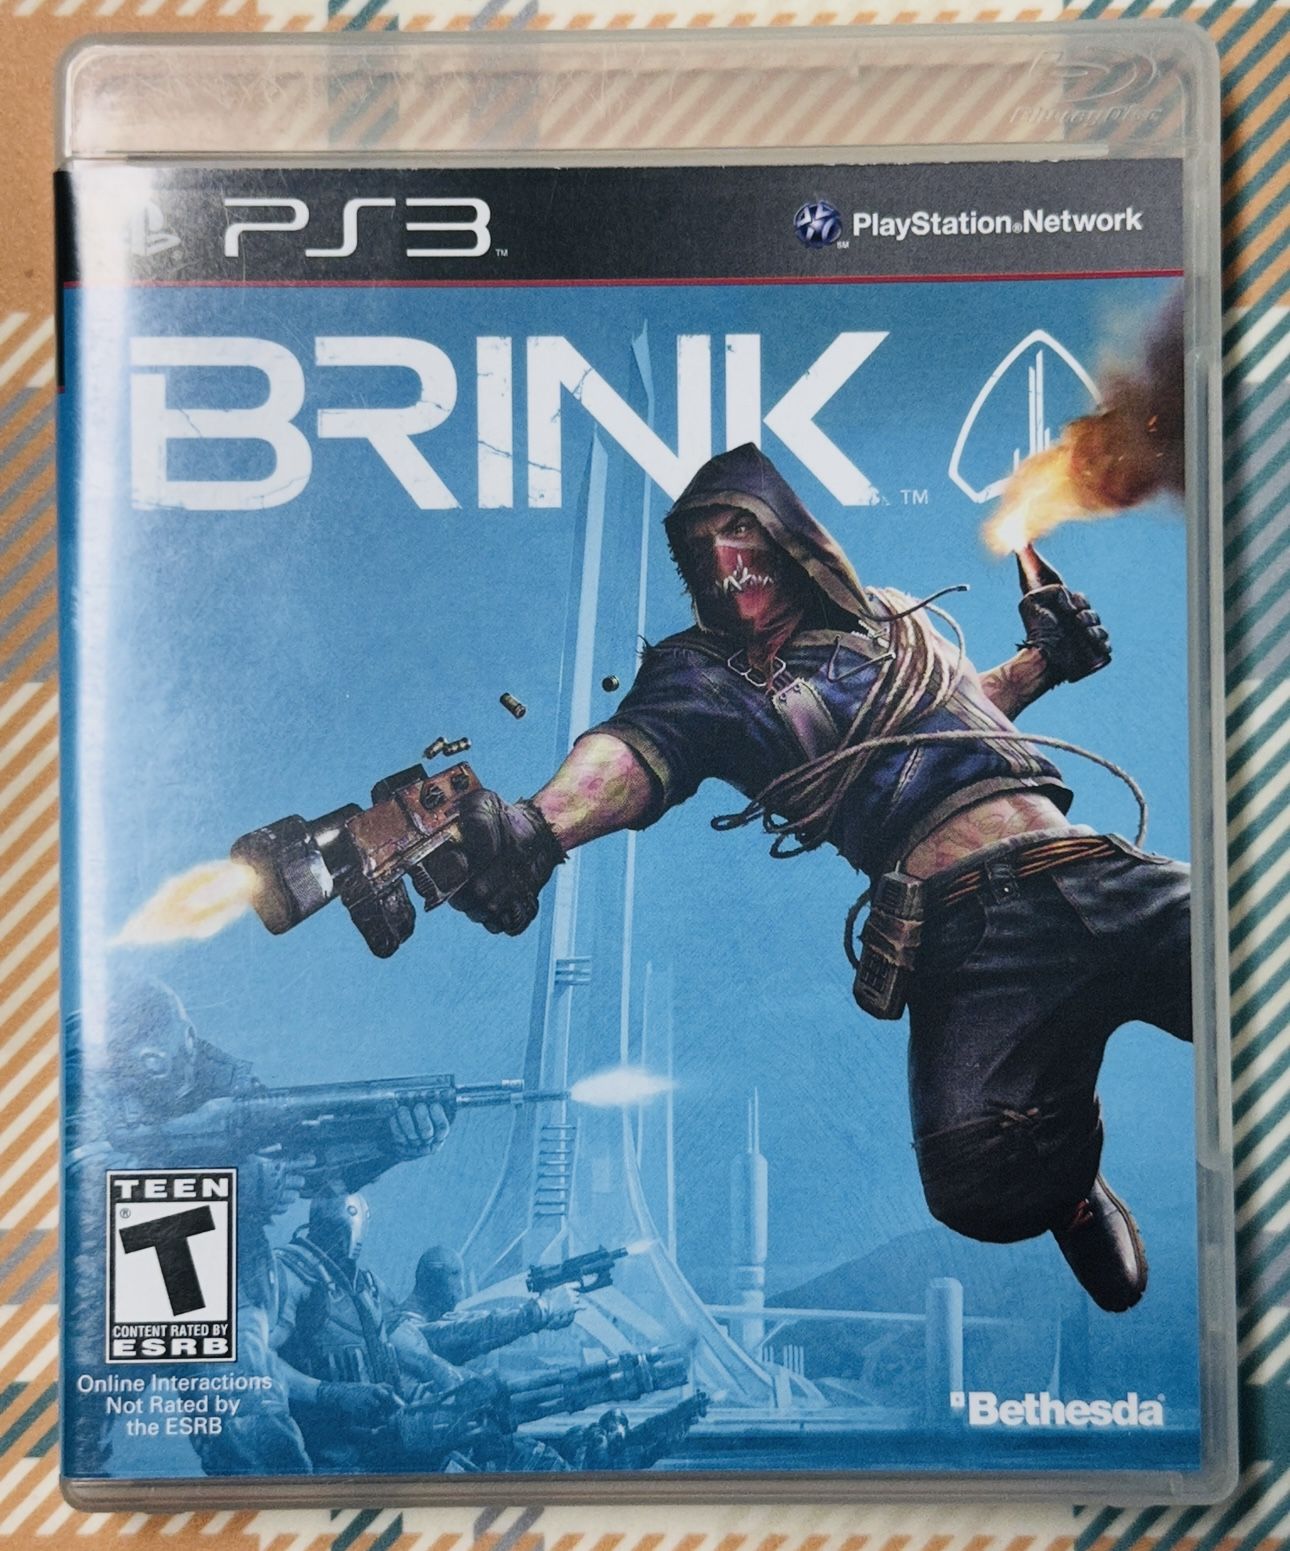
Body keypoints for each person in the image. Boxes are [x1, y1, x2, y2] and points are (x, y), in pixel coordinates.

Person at [440, 443, 1191, 1315]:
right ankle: (1068, 1188)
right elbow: (634, 755)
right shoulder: (706, 677)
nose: (725, 556)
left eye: (737, 528)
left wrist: (1042, 661)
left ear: (786, 531)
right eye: (701, 547)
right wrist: (537, 828)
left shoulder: (894, 619)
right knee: (975, 1178)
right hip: (972, 931)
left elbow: (951, 718)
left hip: (1084, 867)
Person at [391, 1245, 578, 1375]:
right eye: (454, 1275)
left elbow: (476, 1320)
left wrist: (542, 1318)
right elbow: (462, 1331)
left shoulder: (433, 1317)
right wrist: (540, 1311)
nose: (461, 1287)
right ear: (432, 1280)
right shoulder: (406, 1327)